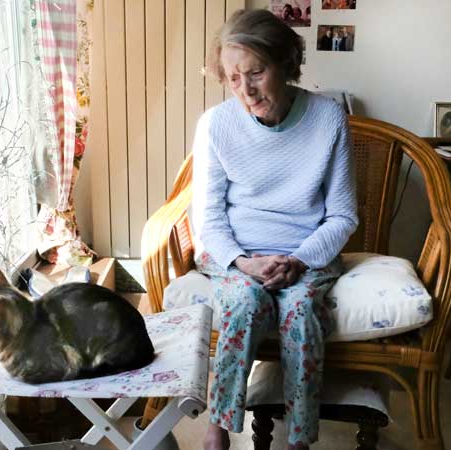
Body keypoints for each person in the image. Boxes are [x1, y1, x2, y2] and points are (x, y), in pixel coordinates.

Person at [196, 8, 358, 450]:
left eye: (256, 72)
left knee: (302, 310)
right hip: (238, 254)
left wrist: (298, 259)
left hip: (305, 254)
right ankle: (218, 427)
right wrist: (245, 263)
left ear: (287, 64)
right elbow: (208, 218)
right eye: (232, 78)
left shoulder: (328, 118)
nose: (245, 90)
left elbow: (343, 215)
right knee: (244, 304)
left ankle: (299, 441)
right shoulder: (216, 125)